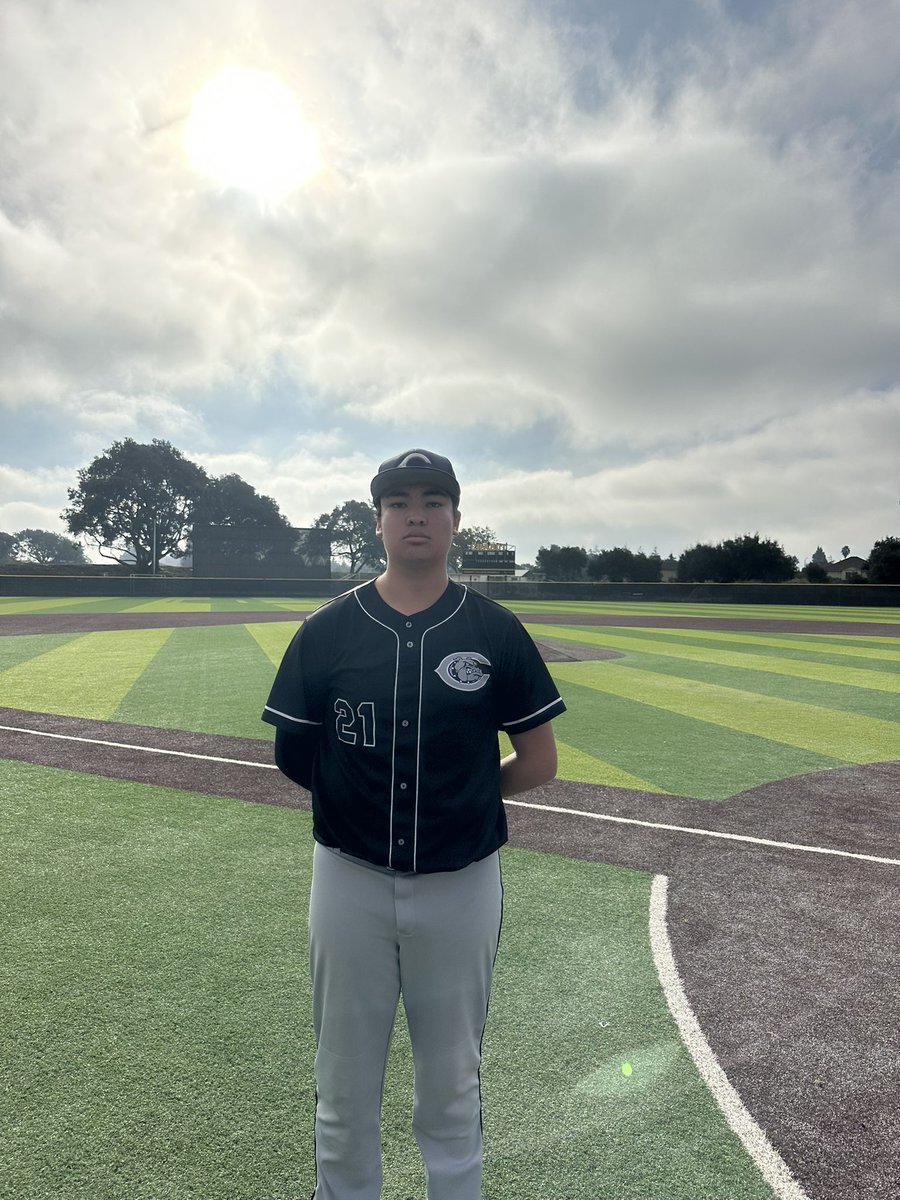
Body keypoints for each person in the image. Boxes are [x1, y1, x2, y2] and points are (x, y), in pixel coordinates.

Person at [262, 448, 566, 1200]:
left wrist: (464, 798)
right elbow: (295, 755)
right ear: (379, 522)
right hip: (349, 879)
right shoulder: (327, 629)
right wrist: (359, 810)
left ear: (456, 519)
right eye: (399, 502)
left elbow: (539, 758)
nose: (417, 514)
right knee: (343, 1082)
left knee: (451, 1084)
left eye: (433, 500)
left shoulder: (494, 629)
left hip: (461, 882)